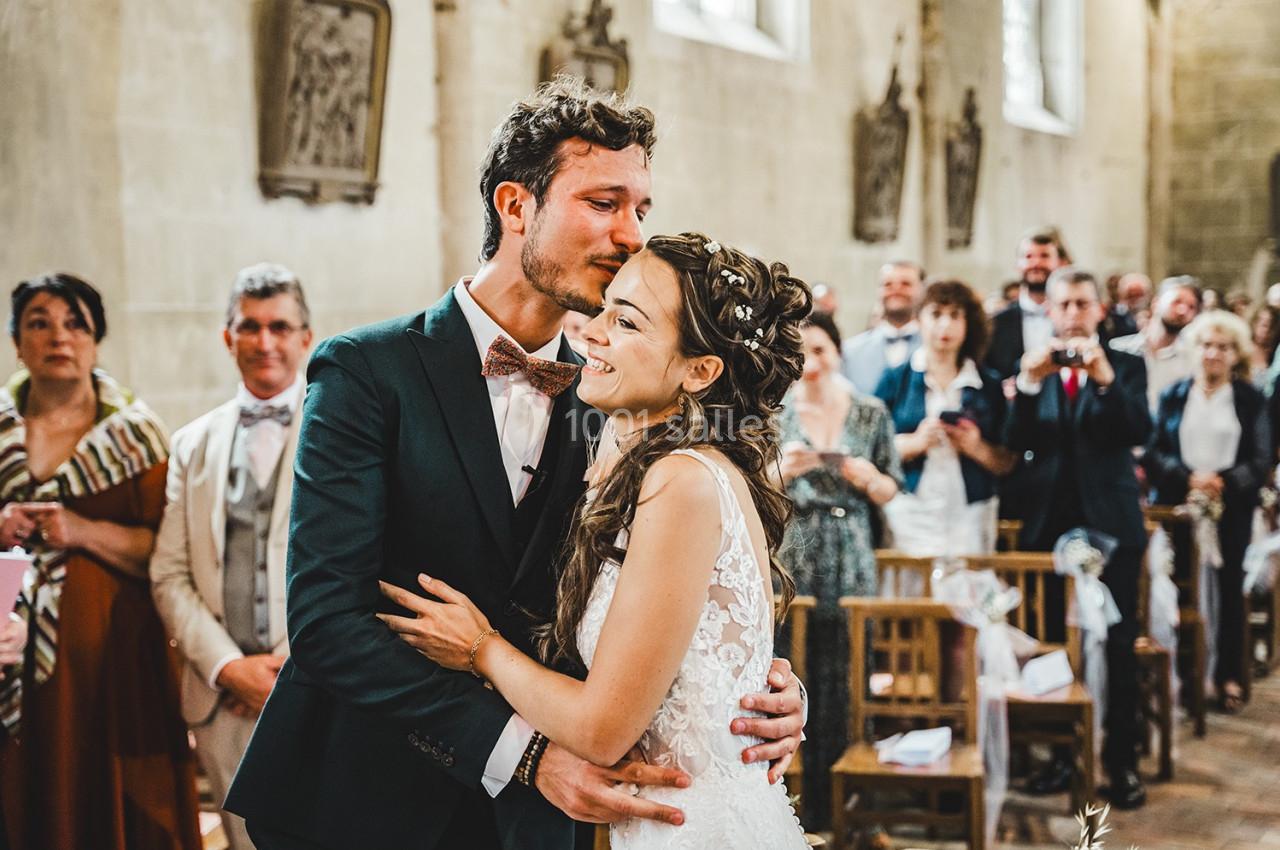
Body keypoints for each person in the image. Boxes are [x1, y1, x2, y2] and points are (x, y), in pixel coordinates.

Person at [225, 80, 805, 850]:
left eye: (642, 210)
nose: (631, 235)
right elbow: (329, 624)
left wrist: (754, 686)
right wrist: (524, 756)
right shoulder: (367, 371)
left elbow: (663, 590)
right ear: (515, 206)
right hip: (367, 797)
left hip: (528, 827)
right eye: (604, 203)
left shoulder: (620, 400)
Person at [380, 234, 811, 848]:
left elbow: (604, 727)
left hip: (693, 827)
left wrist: (480, 647)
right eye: (606, 306)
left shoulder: (681, 480)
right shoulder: (620, 448)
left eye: (627, 321)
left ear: (701, 370)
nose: (592, 330)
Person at [0, 274, 200, 849]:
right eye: (39, 322)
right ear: (17, 341)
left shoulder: (137, 439)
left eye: (75, 323)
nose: (58, 336)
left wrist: (83, 531)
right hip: (15, 668)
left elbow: (166, 554)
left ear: (95, 341)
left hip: (116, 666)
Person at [150, 264, 313, 850]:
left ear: (305, 338)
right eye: (249, 327)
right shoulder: (192, 443)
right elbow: (168, 572)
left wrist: (285, 668)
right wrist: (227, 667)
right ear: (228, 337)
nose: (264, 342)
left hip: (318, 684)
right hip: (222, 701)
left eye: (279, 327)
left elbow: (367, 562)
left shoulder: (345, 426)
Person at [1005, 267, 1151, 809]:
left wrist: (1106, 377)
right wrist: (1026, 385)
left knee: (1117, 644)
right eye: (1062, 304)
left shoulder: (1128, 365)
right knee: (1051, 644)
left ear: (1098, 311)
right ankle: (1061, 756)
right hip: (1046, 525)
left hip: (1112, 523)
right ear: (1050, 311)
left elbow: (1138, 431)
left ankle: (1121, 762)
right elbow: (1014, 443)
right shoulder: (1034, 368)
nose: (1071, 314)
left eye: (1081, 305)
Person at [777, 310, 901, 831]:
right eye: (802, 352)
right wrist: (785, 466)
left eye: (821, 349)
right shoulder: (774, 410)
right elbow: (754, 482)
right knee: (790, 662)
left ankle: (845, 798)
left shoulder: (870, 412)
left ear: (838, 353)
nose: (812, 362)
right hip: (795, 546)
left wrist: (867, 475)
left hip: (851, 546)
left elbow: (891, 488)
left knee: (847, 668)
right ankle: (790, 799)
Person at [1142, 311, 1270, 715]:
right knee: (1177, 591)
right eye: (1206, 345)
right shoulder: (1174, 394)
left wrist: (1223, 482)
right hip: (1178, 507)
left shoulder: (1250, 400)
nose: (1213, 354)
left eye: (1223, 347)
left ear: (1236, 354)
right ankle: (1182, 672)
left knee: (1229, 589)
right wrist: (1189, 477)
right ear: (1194, 351)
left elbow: (1262, 456)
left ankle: (1227, 673)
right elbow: (1154, 450)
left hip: (1229, 509)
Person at [876, 280, 1013, 556]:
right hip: (911, 505)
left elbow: (1007, 459)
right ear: (920, 319)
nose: (945, 326)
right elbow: (870, 448)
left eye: (955, 316)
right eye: (936, 314)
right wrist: (915, 442)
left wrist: (975, 447)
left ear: (967, 323)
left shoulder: (988, 383)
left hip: (970, 507)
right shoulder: (896, 378)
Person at [985, 227, 1070, 379]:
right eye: (1029, 256)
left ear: (1061, 263)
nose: (1036, 263)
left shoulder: (1074, 318)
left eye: (1045, 256)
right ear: (1017, 265)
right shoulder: (996, 323)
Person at [1111, 275, 1203, 410]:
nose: (1183, 310)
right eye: (1177, 301)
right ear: (1156, 303)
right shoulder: (1118, 350)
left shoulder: (1193, 360)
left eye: (1191, 307)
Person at [841, 261, 924, 394]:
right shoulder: (850, 351)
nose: (896, 290)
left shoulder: (938, 347)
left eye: (905, 284)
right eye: (888, 285)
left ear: (921, 290)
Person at [1246, 303, 1280, 385]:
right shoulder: (1244, 350)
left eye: (1271, 325)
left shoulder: (1276, 353)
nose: (1266, 329)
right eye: (1261, 322)